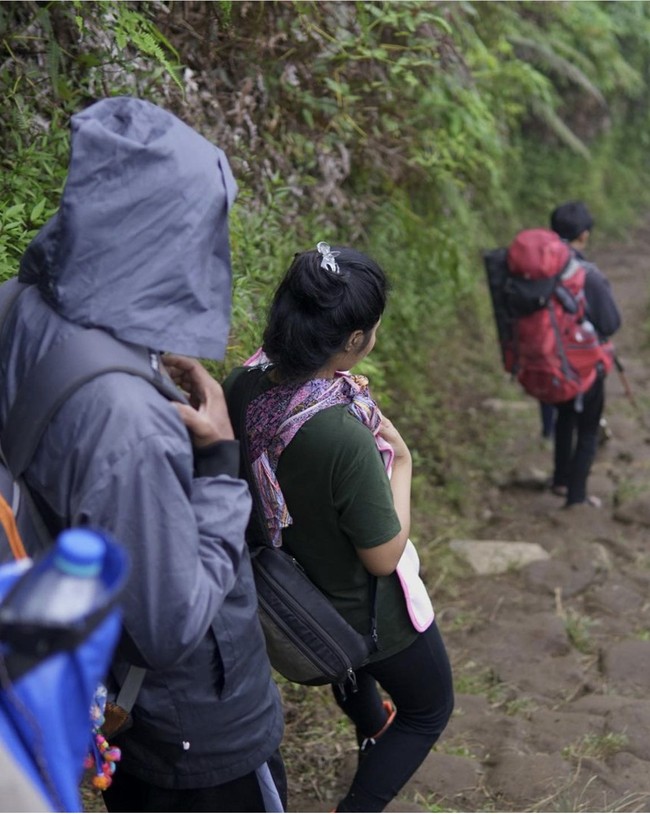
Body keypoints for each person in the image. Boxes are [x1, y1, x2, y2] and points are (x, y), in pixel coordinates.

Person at [0, 97, 285, 812]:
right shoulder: (128, 420)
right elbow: (169, 627)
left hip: (94, 675)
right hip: (187, 724)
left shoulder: (14, 308)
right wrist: (219, 462)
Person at [223, 242, 454, 813]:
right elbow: (382, 556)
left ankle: (372, 725)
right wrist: (402, 462)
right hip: (369, 617)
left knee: (354, 670)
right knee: (428, 709)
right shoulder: (338, 432)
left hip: (292, 597)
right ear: (353, 341)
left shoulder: (245, 383)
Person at [549, 201, 621, 508]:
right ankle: (576, 497)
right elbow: (610, 323)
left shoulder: (540, 269)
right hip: (583, 363)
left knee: (565, 415)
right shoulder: (587, 274)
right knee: (588, 429)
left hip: (550, 359)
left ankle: (560, 480)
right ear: (584, 235)